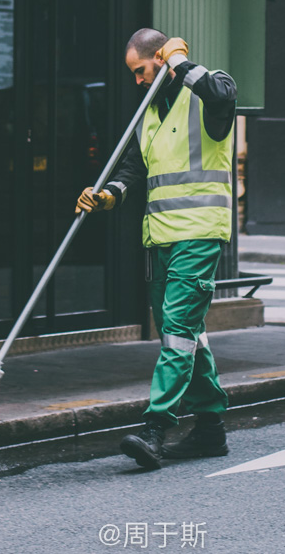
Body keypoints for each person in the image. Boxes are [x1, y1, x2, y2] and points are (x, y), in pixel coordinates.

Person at [76, 28, 236, 470]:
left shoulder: (206, 93)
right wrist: (107, 194)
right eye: (133, 74)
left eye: (142, 70)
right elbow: (132, 168)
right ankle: (209, 428)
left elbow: (223, 94)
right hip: (159, 238)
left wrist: (181, 63)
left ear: (162, 58)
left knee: (180, 331)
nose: (138, 81)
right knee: (183, 334)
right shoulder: (147, 111)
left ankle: (155, 427)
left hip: (199, 233)